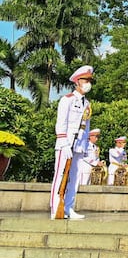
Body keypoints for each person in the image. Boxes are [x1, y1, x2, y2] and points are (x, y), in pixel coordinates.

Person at [51, 65, 95, 220]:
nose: (88, 83)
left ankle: (68, 207)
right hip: (66, 143)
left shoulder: (87, 103)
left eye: (90, 80)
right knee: (60, 176)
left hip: (79, 145)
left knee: (75, 177)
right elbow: (60, 123)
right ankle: (56, 208)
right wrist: (63, 142)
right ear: (77, 81)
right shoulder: (67, 100)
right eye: (86, 80)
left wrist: (85, 147)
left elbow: (86, 126)